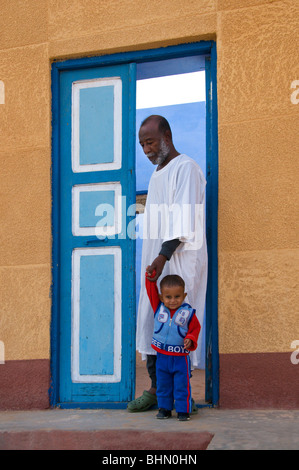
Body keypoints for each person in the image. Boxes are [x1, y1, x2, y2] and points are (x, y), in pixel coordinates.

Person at [127, 115, 207, 413]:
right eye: (142, 144)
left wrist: (163, 256)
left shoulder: (186, 168)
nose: (146, 149)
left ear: (167, 136)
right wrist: (156, 258)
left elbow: (182, 219)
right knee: (153, 322)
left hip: (180, 261)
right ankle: (155, 390)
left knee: (180, 324)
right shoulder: (158, 174)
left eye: (150, 142)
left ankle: (182, 396)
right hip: (158, 261)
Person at [145, 271, 201, 421]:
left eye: (177, 296)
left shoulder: (188, 313)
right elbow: (150, 289)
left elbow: (195, 328)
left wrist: (190, 338)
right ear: (162, 297)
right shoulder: (159, 308)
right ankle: (164, 409)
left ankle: (183, 411)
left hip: (180, 358)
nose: (173, 301)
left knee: (181, 385)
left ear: (184, 295)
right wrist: (150, 277)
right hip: (162, 357)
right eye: (168, 297)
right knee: (163, 384)